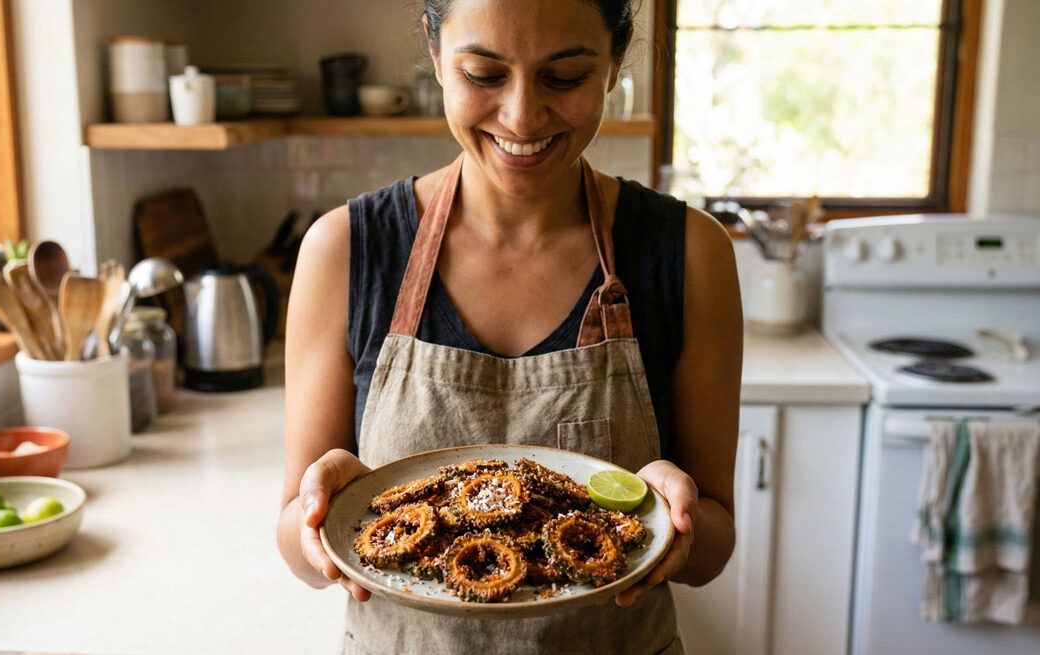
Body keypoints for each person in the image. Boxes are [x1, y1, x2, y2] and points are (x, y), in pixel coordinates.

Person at [277, 0, 742, 652]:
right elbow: (294, 539)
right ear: (436, 54)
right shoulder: (345, 250)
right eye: (484, 74)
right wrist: (315, 516)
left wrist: (680, 523)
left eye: (565, 77)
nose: (522, 115)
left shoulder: (690, 253)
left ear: (613, 63)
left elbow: (715, 543)